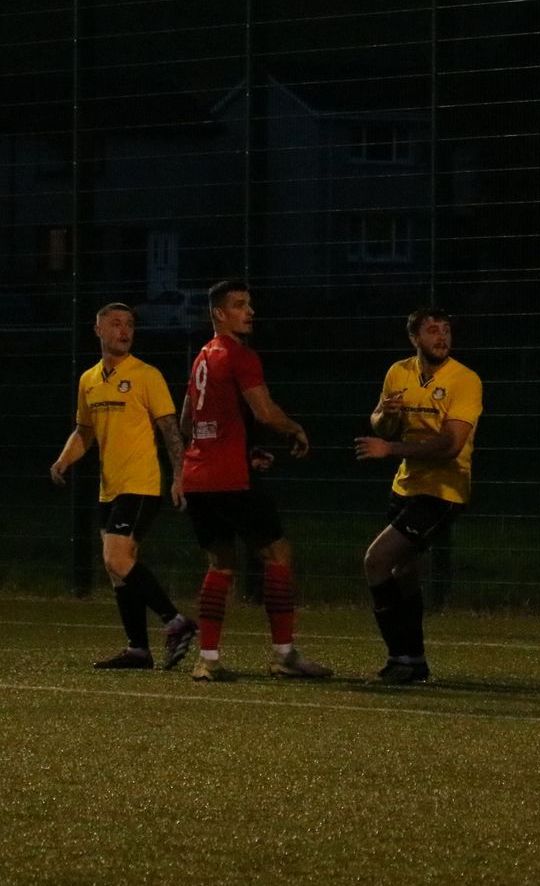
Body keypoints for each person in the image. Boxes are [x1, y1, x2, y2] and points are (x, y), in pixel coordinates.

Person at [179, 280, 330, 682]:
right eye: (240, 305)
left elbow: (186, 422)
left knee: (221, 562)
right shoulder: (240, 355)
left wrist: (236, 446)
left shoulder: (201, 359)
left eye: (250, 304)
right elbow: (265, 412)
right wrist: (295, 428)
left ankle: (207, 660)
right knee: (278, 553)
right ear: (219, 314)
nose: (250, 311)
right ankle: (284, 654)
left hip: (198, 477)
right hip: (231, 478)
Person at [49, 303, 197, 670]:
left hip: (141, 485)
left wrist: (179, 476)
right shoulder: (89, 380)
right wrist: (63, 460)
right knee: (120, 569)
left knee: (115, 558)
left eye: (129, 324)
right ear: (97, 330)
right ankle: (138, 649)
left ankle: (175, 621)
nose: (124, 330)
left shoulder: (146, 375)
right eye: (115, 324)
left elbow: (169, 430)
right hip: (109, 488)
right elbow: (85, 432)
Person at [352, 308, 482, 684]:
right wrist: (385, 417)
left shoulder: (465, 379)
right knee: (402, 571)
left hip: (443, 490)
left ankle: (399, 658)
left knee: (376, 561)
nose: (442, 337)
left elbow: (451, 444)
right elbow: (380, 418)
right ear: (414, 338)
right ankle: (415, 661)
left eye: (446, 330)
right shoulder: (399, 372)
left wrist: (389, 449)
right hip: (405, 485)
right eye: (432, 330)